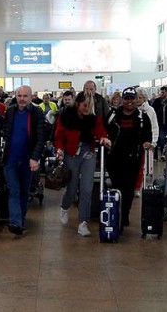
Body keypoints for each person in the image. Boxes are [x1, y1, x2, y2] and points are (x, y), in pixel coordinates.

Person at [55, 92, 110, 236]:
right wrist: (59, 149)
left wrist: (104, 138)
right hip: (71, 153)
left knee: (87, 189)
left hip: (88, 153)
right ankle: (65, 206)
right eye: (85, 105)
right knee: (72, 188)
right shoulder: (66, 116)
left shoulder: (93, 118)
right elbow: (59, 135)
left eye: (89, 105)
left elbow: (100, 131)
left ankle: (83, 222)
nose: (87, 108)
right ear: (78, 103)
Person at [3, 85, 46, 235]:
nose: (22, 99)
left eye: (25, 96)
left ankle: (20, 220)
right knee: (14, 190)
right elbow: (6, 132)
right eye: (19, 96)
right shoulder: (10, 111)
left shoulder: (37, 113)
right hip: (11, 159)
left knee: (24, 192)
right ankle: (15, 222)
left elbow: (41, 137)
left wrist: (35, 157)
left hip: (28, 160)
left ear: (31, 97)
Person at [106, 87, 152, 227]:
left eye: (132, 98)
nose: (129, 102)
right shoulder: (113, 115)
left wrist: (147, 142)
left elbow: (147, 134)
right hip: (114, 157)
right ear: (122, 100)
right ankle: (116, 213)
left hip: (133, 158)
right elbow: (105, 130)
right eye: (127, 99)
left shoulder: (142, 117)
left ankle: (125, 214)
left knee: (129, 188)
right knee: (117, 187)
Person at [133, 87, 159, 197]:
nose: (138, 99)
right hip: (131, 142)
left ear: (145, 98)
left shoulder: (150, 110)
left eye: (140, 97)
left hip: (144, 143)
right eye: (136, 97)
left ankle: (137, 188)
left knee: (141, 167)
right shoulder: (129, 109)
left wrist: (153, 142)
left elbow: (154, 127)